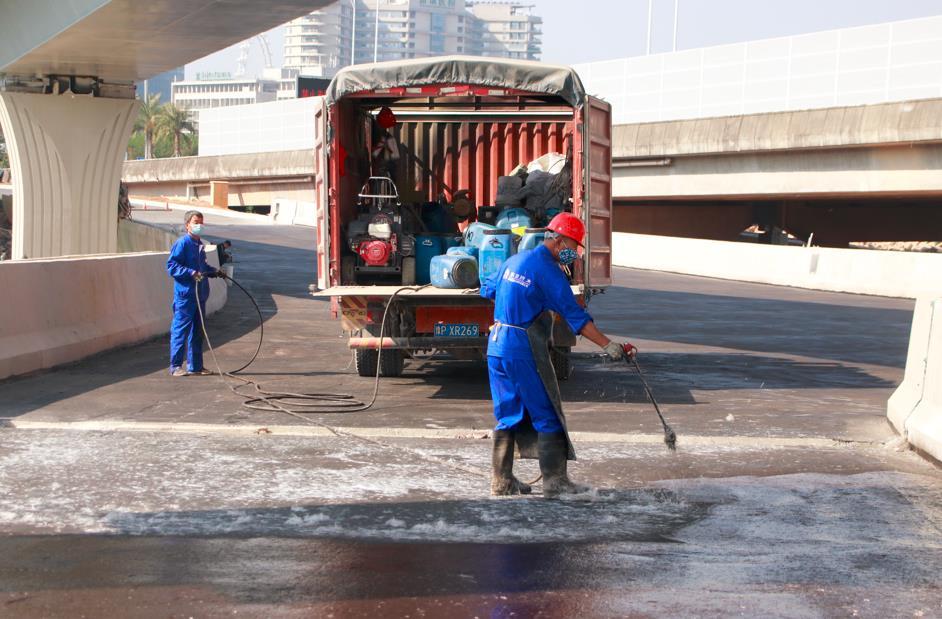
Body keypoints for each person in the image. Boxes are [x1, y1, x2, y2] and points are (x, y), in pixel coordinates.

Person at [481, 212, 637, 499]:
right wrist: (608, 345)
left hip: (496, 344)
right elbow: (576, 317)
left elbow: (487, 288)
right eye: (573, 245)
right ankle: (555, 482)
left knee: (507, 414)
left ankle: (501, 481)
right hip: (521, 348)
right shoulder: (548, 272)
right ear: (558, 239)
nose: (574, 252)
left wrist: (517, 302)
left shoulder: (513, 260)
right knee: (547, 413)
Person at [166, 210, 221, 377]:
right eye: (196, 222)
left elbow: (202, 267)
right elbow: (172, 266)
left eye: (201, 222)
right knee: (180, 330)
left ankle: (195, 366)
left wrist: (215, 272)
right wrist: (190, 273)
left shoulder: (199, 245)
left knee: (198, 331)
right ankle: (175, 366)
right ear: (187, 225)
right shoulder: (182, 243)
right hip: (186, 295)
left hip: (200, 295)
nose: (199, 226)